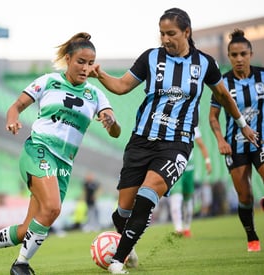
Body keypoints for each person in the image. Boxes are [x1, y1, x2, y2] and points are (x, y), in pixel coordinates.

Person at [89, 8, 258, 274]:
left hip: (176, 144)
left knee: (147, 195)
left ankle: (117, 261)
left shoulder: (204, 63)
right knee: (121, 212)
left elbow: (224, 96)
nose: (165, 39)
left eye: (171, 33)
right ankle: (128, 247)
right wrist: (100, 76)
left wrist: (242, 124)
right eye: (162, 33)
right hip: (141, 140)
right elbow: (122, 86)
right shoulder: (150, 58)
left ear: (186, 32)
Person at [0, 32, 121, 275]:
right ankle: (20, 265)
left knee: (28, 229)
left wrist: (111, 122)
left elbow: (116, 132)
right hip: (38, 149)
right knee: (53, 207)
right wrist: (13, 120)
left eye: (90, 63)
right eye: (81, 62)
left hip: (64, 164)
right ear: (68, 59)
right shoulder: (48, 81)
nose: (86, 68)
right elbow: (16, 106)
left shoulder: (95, 95)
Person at [209, 28, 264, 252]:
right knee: (244, 195)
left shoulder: (262, 76)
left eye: (243, 54)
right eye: (234, 55)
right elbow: (213, 117)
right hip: (235, 146)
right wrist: (221, 140)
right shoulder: (222, 84)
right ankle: (251, 236)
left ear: (250, 54)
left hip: (261, 141)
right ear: (229, 56)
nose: (239, 59)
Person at [168, 126, 212, 237]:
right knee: (176, 198)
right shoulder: (170, 123)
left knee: (187, 199)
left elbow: (201, 145)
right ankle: (178, 228)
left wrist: (207, 161)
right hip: (174, 166)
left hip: (189, 168)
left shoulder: (192, 125)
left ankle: (187, 228)